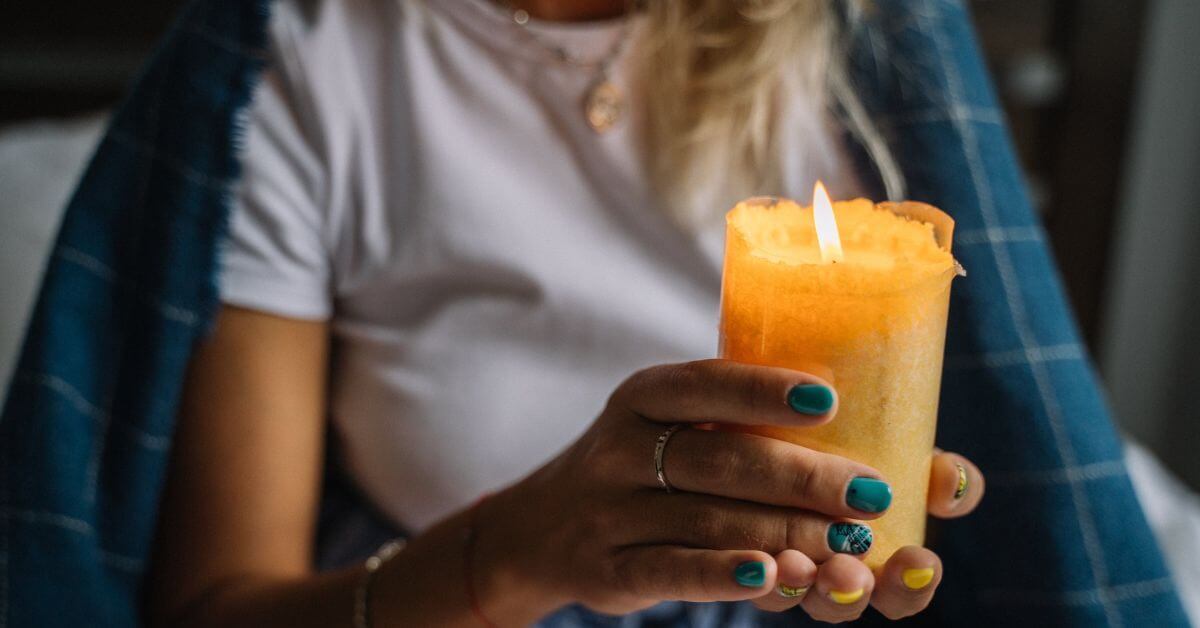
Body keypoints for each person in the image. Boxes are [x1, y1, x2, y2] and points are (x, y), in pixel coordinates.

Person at [142, 1, 987, 625]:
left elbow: (1018, 454)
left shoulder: (868, 33)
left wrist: (881, 511)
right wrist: (517, 552)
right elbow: (214, 606)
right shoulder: (292, 54)